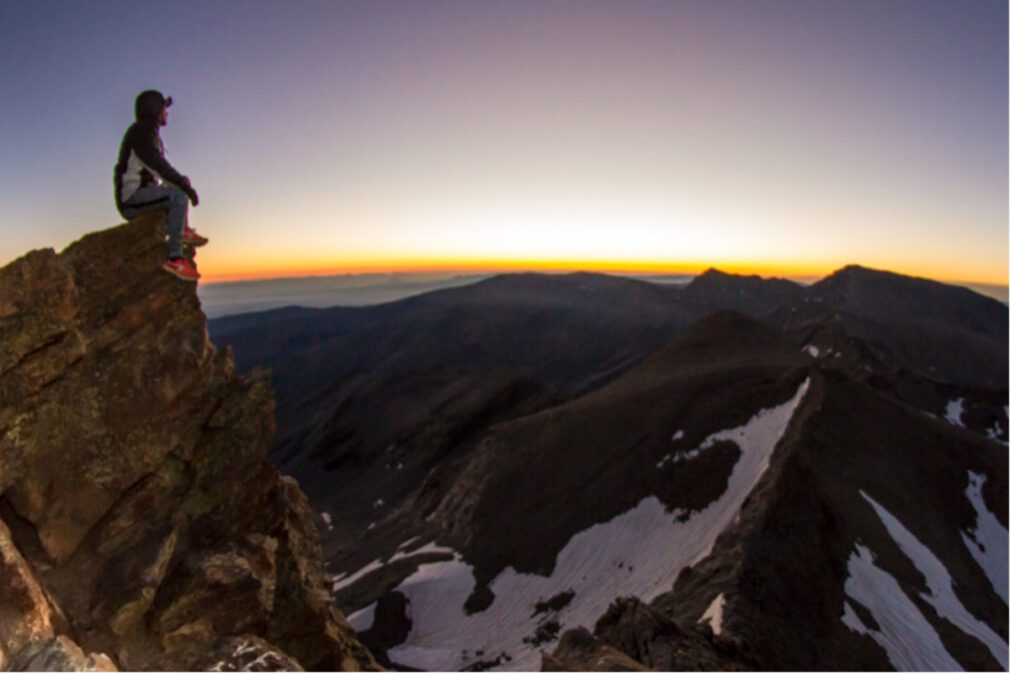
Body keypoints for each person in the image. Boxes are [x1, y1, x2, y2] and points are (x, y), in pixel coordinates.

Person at [114, 90, 208, 281]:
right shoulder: (142, 132)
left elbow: (160, 171)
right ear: (155, 109)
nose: (167, 113)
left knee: (181, 186)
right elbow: (157, 165)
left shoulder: (148, 132)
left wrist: (183, 183)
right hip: (132, 198)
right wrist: (183, 187)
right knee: (178, 195)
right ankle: (175, 258)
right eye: (165, 108)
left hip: (143, 192)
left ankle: (182, 230)